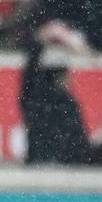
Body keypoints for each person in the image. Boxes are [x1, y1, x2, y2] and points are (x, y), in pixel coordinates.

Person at [20, 20, 89, 164]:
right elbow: (79, 143)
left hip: (39, 164)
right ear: (60, 77)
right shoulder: (66, 105)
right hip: (62, 166)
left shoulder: (34, 101)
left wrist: (38, 45)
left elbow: (27, 82)